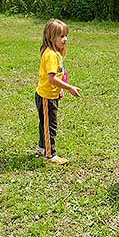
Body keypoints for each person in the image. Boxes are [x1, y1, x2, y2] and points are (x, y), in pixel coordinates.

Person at [35, 19, 81, 165]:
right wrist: (69, 87)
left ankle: (42, 148)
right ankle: (50, 155)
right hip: (46, 96)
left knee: (46, 124)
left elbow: (58, 76)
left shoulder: (55, 53)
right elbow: (52, 78)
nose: (65, 39)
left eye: (66, 35)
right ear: (51, 37)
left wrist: (60, 89)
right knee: (50, 126)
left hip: (50, 95)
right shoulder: (50, 55)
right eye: (61, 36)